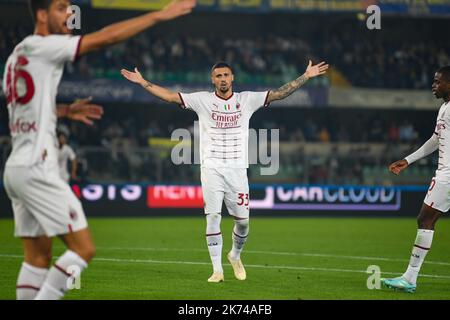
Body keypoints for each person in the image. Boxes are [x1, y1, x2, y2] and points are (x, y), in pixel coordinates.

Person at [2, 0, 196, 300]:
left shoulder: (16, 56)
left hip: (16, 169)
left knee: (37, 257)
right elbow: (106, 37)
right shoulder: (45, 45)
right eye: (61, 7)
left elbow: (25, 105)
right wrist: (159, 15)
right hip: (37, 168)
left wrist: (63, 111)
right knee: (83, 249)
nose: (69, 13)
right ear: (42, 15)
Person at [121, 60, 329, 282]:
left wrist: (306, 76)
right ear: (213, 79)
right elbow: (170, 96)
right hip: (211, 168)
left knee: (243, 222)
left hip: (238, 170)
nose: (222, 79)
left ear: (232, 78)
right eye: (218, 75)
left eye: (226, 75)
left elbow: (279, 93)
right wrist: (143, 82)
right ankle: (217, 270)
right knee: (212, 217)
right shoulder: (202, 100)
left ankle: (235, 255)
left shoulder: (246, 100)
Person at [383, 66, 450, 293]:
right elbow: (435, 139)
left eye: (437, 81)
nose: (433, 85)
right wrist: (408, 160)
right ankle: (409, 278)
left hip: (448, 176)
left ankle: (410, 278)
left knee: (425, 219)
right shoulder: (444, 108)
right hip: (445, 175)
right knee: (426, 219)